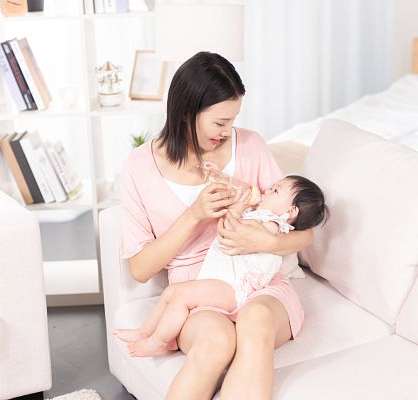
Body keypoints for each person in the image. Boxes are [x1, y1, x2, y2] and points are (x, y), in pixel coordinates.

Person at [118, 51, 314, 399]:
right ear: (186, 112)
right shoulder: (139, 167)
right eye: (219, 122)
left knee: (255, 326)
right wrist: (193, 215)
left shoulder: (251, 145)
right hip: (198, 295)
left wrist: (267, 243)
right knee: (216, 343)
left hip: (261, 284)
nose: (227, 132)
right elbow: (140, 268)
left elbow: (304, 231)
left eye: (232, 120)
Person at [114, 174, 328, 357]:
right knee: (172, 292)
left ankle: (158, 342)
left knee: (181, 297)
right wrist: (239, 207)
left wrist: (239, 209)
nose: (267, 189)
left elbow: (234, 230)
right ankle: (145, 331)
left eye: (275, 191)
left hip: (235, 288)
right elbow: (232, 228)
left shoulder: (274, 226)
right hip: (223, 280)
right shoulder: (260, 216)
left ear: (290, 212)